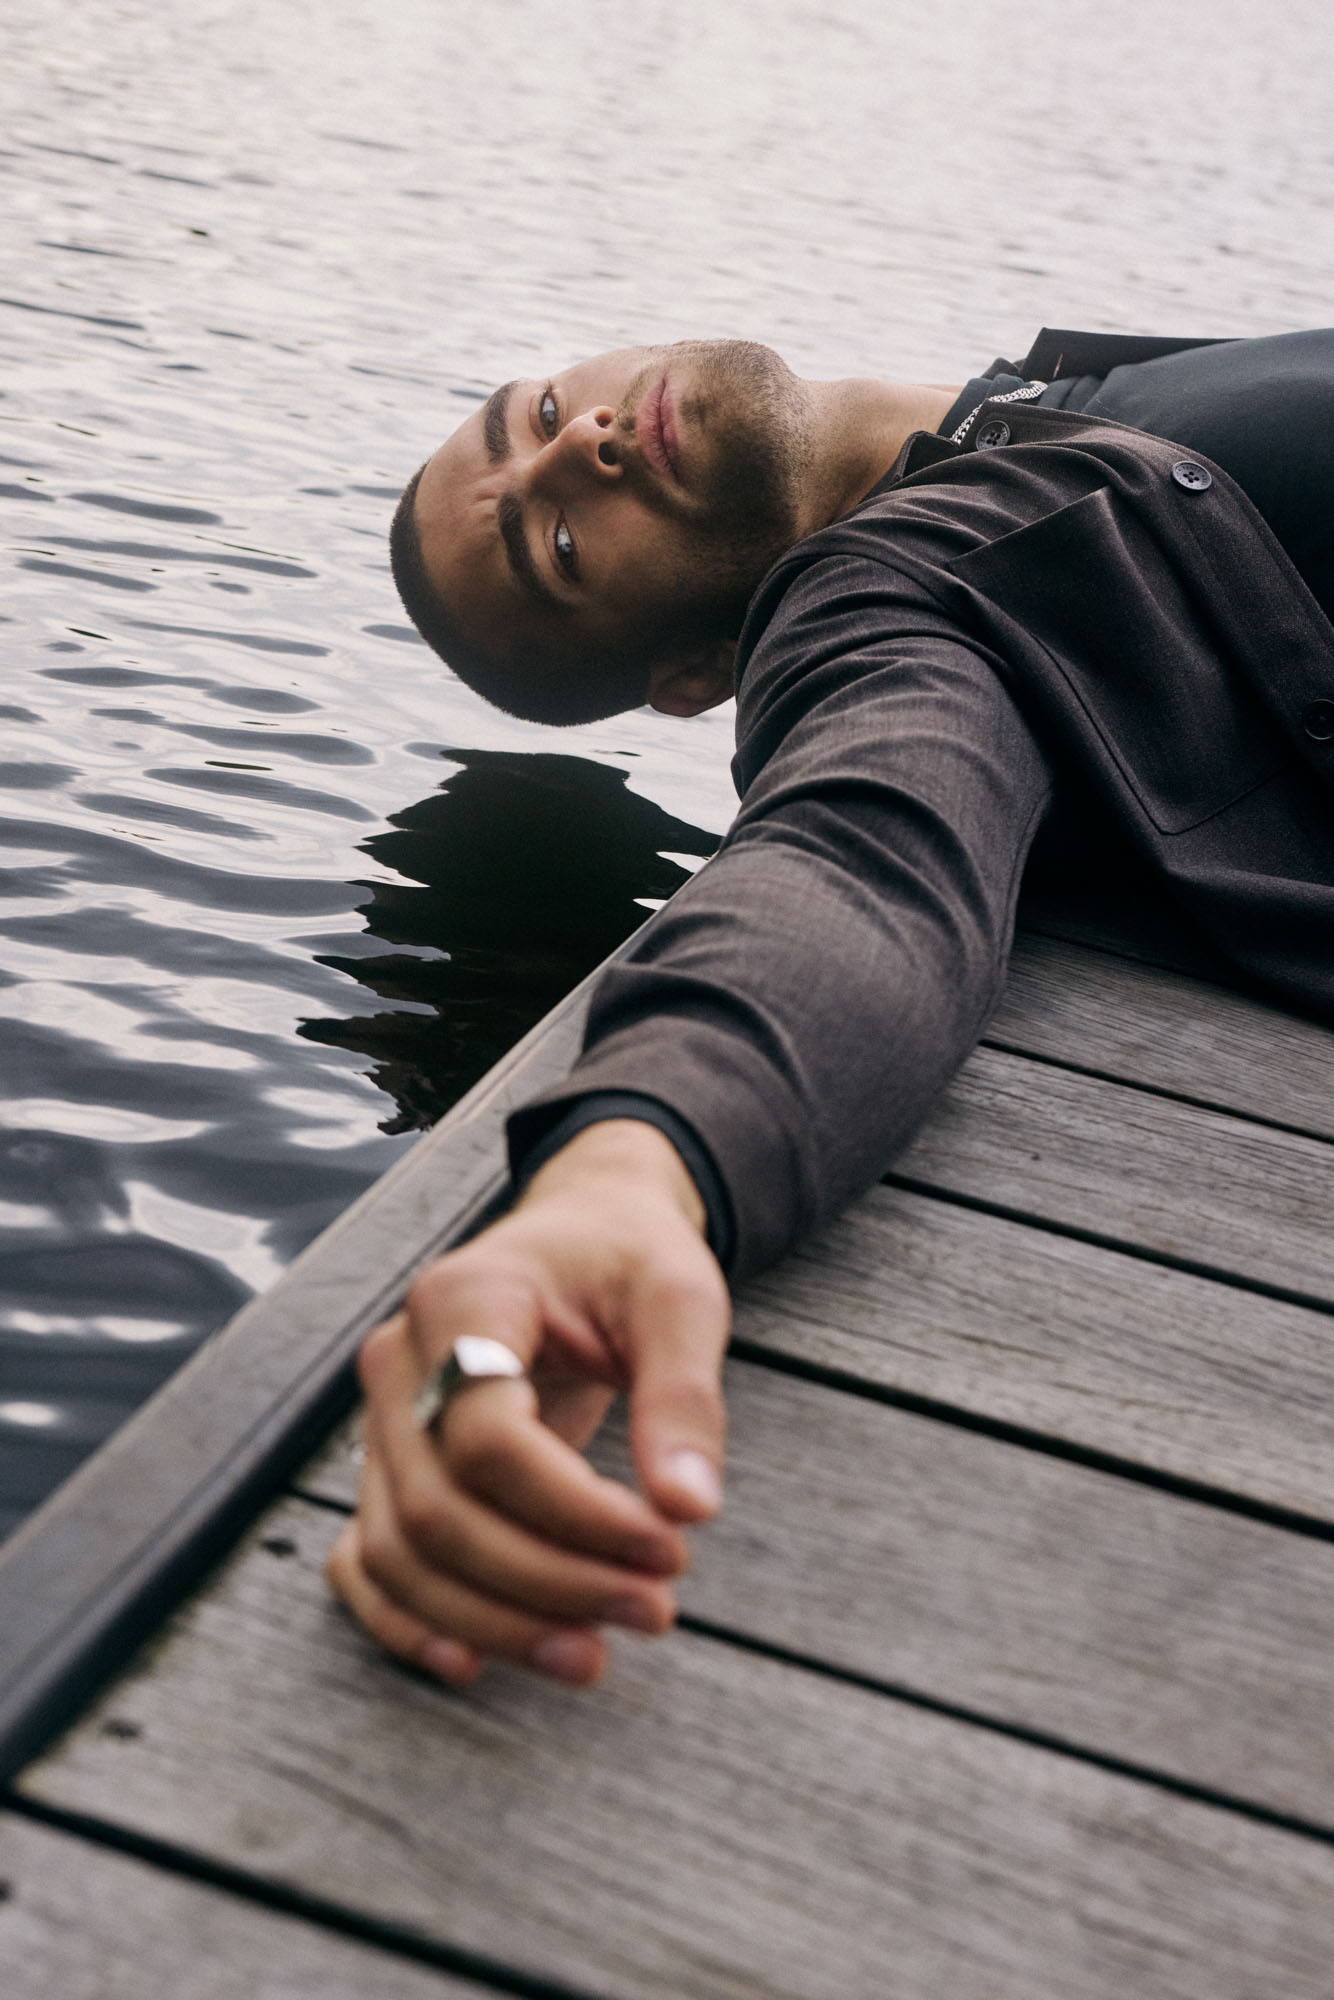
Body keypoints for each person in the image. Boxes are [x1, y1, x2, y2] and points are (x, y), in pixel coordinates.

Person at [326, 328, 1334, 1690]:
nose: (578, 447)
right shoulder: (890, 601)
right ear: (692, 677)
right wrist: (628, 1172)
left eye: (541, 412)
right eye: (559, 546)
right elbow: (860, 852)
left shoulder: (1038, 397)